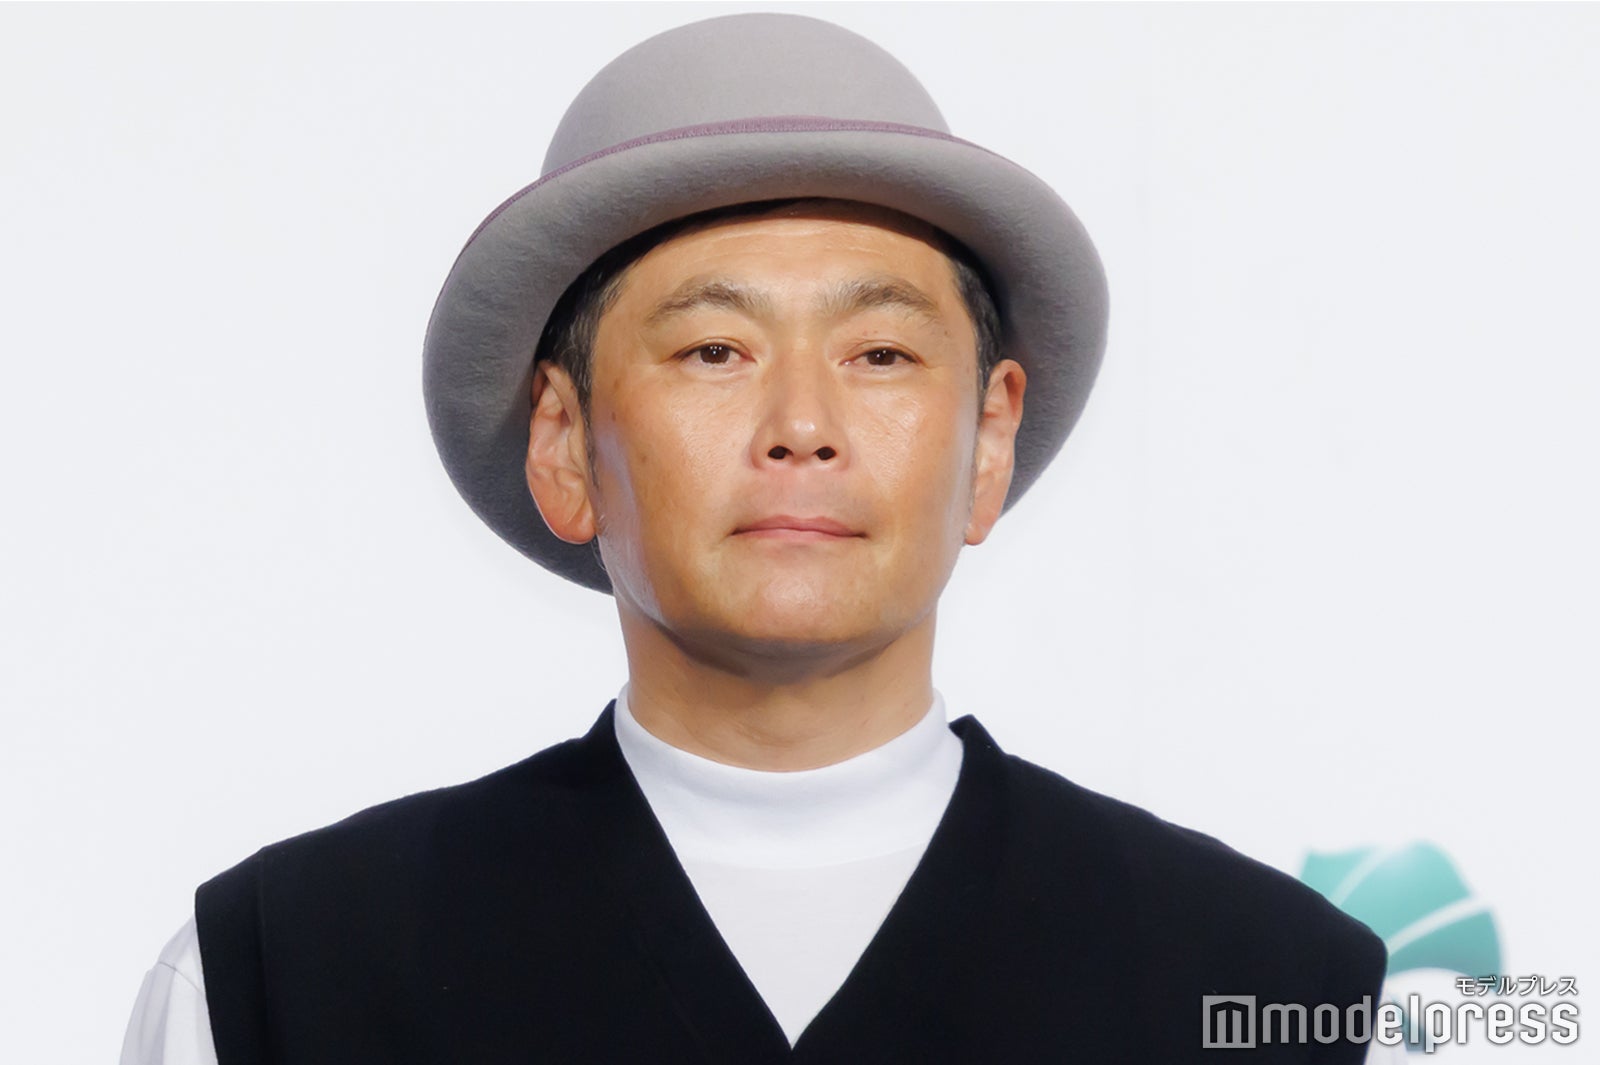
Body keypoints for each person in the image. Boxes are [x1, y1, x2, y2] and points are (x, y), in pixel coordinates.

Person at [121, 13, 1394, 1064]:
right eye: (713, 351)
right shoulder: (280, 979)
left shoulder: (1271, 987)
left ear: (989, 440)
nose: (802, 428)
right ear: (563, 442)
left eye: (880, 354)